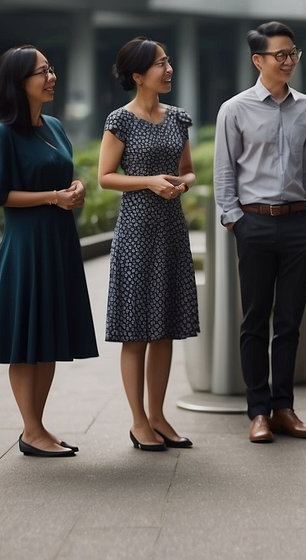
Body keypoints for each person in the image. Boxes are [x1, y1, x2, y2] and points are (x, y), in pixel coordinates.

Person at [0, 45, 98, 457]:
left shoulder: (55, 126)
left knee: (48, 335)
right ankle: (31, 429)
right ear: (18, 81)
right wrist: (51, 198)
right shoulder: (3, 134)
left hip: (59, 241)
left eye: (51, 69)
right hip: (27, 247)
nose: (51, 77)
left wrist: (76, 188)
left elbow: (62, 175)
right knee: (26, 337)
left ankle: (38, 426)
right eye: (41, 72)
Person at [214, 21, 306, 444]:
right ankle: (257, 411)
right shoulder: (235, 109)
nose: (289, 61)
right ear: (257, 60)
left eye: (293, 52)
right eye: (280, 54)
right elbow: (225, 171)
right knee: (255, 320)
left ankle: (284, 408)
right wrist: (234, 219)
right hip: (254, 223)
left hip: (299, 223)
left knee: (291, 321)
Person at [98, 37, 200, 451]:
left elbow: (190, 171)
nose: (169, 68)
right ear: (138, 75)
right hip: (137, 232)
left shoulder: (179, 118)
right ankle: (138, 420)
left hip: (171, 231)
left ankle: (158, 415)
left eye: (168, 60)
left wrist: (180, 183)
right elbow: (105, 176)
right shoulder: (119, 120)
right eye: (160, 63)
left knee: (166, 330)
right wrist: (149, 182)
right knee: (136, 331)